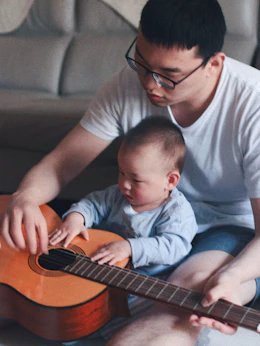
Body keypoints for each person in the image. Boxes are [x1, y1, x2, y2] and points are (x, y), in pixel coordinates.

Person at [1, 0, 260, 344]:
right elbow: (61, 164)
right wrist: (25, 197)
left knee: (187, 291)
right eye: (141, 62)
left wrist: (233, 277)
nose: (150, 85)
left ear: (214, 64)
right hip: (143, 216)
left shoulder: (252, 105)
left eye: (168, 76)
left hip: (226, 227)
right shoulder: (129, 83)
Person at [49, 116, 198, 278]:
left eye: (136, 180)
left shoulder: (176, 211)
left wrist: (130, 247)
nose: (125, 184)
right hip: (102, 265)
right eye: (121, 172)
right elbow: (92, 204)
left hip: (145, 279)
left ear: (170, 181)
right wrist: (76, 219)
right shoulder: (117, 195)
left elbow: (174, 247)